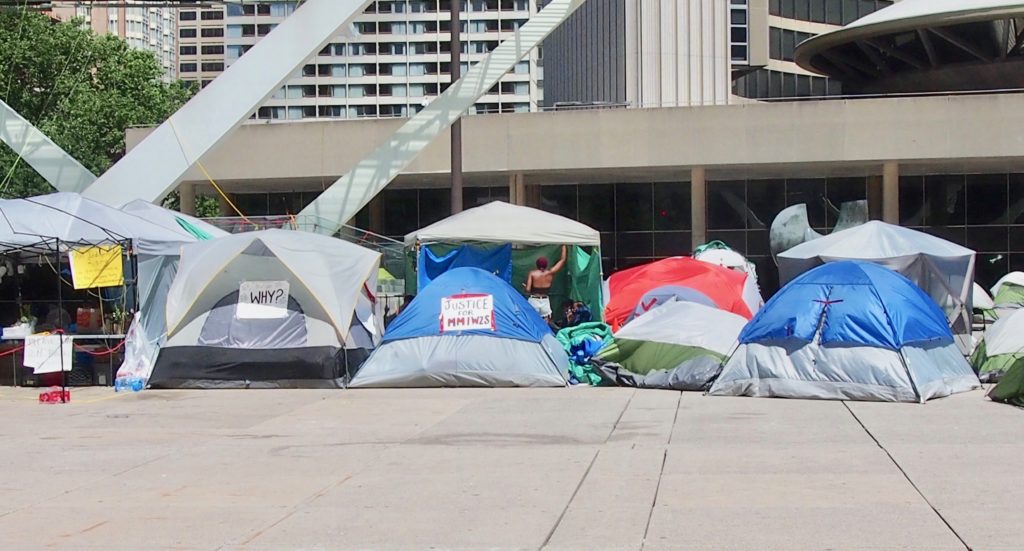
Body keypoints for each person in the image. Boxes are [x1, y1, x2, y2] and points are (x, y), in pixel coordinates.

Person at [524, 245, 567, 321]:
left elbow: (528, 289)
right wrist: (564, 246)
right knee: (546, 321)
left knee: (531, 321)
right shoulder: (550, 273)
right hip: (545, 300)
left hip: (534, 300)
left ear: (537, 265)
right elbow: (562, 260)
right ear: (546, 265)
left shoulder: (533, 273)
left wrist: (526, 287)